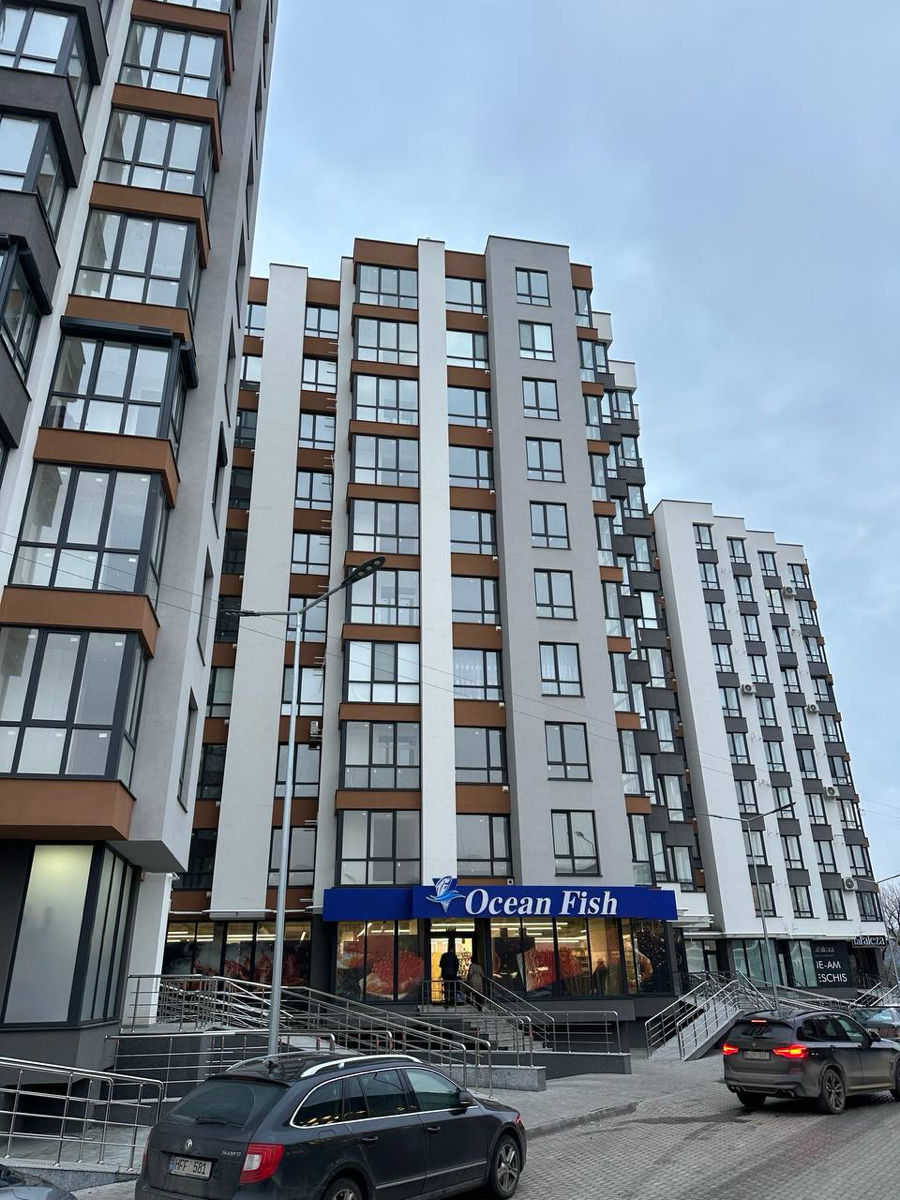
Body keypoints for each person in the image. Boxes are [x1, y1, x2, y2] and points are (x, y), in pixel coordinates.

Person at [439, 939, 460, 1007]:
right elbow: (457, 965)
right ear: (453, 950)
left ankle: (446, 1001)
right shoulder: (454, 956)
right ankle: (452, 1001)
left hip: (445, 974)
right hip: (453, 975)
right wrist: (455, 971)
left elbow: (441, 965)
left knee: (446, 987)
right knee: (452, 987)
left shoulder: (444, 955)